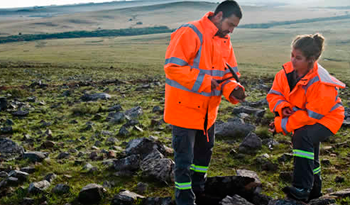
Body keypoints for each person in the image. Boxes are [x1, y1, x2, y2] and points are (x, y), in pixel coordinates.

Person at [163, 1, 246, 204]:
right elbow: (173, 67)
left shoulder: (224, 40)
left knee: (203, 157)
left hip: (208, 113)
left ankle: (198, 191)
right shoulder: (190, 32)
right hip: (184, 111)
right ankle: (184, 200)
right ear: (218, 16)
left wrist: (233, 89)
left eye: (235, 27)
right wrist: (206, 82)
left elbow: (228, 74)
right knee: (184, 160)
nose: (232, 30)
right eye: (231, 24)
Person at [267, 33, 346, 201]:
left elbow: (311, 116)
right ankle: (315, 189)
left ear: (311, 59)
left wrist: (281, 124)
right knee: (309, 150)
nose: (293, 61)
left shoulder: (320, 82)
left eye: (298, 58)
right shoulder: (285, 73)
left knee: (302, 136)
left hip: (328, 118)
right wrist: (283, 107)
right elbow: (274, 94)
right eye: (292, 55)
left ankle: (301, 188)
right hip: (303, 117)